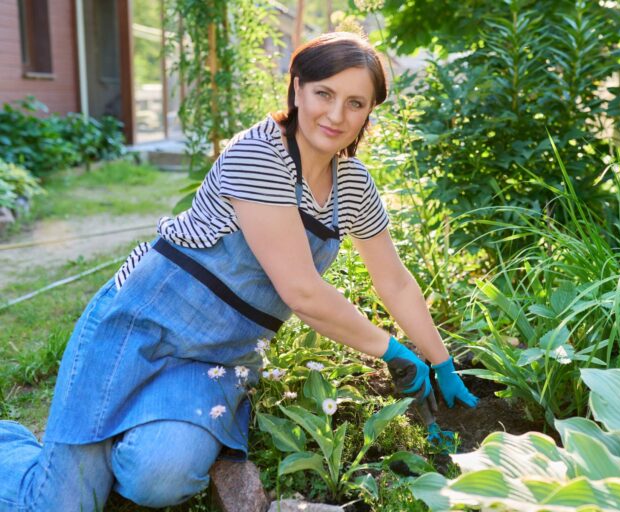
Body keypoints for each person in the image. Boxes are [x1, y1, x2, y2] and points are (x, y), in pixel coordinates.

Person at [0, 32, 478, 511]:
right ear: (296, 90)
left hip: (215, 358)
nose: (336, 115)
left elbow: (393, 280)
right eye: (324, 94)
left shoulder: (352, 185)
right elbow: (302, 291)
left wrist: (440, 361)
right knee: (58, 505)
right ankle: (14, 447)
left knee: (159, 480)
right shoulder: (259, 154)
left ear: (368, 113)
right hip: (140, 327)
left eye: (355, 103)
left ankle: (102, 440)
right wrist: (391, 349)